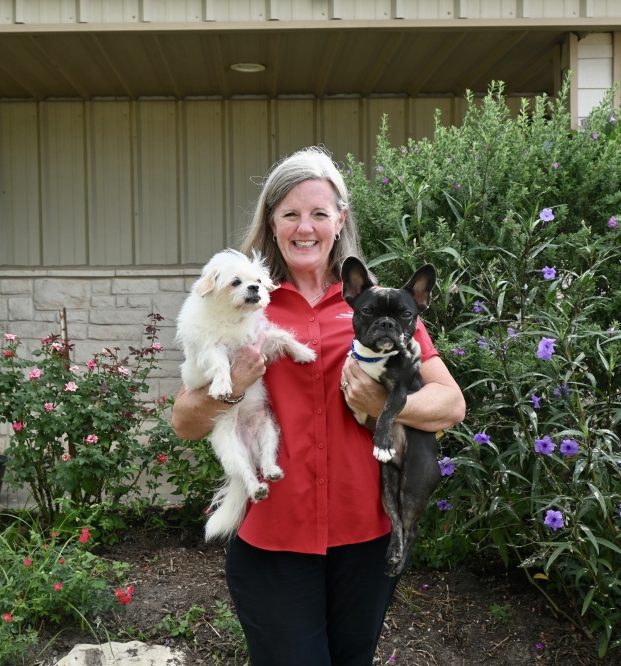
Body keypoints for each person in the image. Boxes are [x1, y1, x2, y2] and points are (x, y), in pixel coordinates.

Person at [171, 147, 466, 666]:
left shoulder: (378, 307)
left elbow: (450, 405)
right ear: (272, 223)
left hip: (364, 540)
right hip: (273, 540)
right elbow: (185, 423)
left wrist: (382, 405)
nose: (304, 228)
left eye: (319, 214)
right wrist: (234, 385)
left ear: (340, 220)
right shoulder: (245, 302)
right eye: (290, 214)